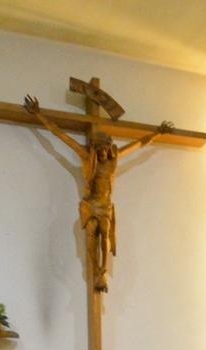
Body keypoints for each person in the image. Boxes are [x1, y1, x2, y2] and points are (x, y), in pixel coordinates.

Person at [22, 95, 175, 293]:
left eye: (105, 148)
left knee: (105, 234)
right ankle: (96, 272)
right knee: (91, 233)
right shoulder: (87, 159)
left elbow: (138, 145)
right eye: (99, 148)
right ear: (94, 148)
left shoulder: (113, 161)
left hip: (105, 205)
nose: (102, 152)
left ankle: (102, 270)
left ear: (109, 148)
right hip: (90, 203)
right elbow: (61, 136)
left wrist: (156, 134)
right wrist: (39, 115)